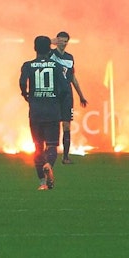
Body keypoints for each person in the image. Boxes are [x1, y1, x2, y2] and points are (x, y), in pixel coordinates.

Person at [19, 36, 63, 190]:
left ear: (35, 48)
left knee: (37, 146)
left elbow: (23, 82)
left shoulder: (27, 65)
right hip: (52, 111)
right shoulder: (57, 66)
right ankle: (48, 164)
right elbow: (64, 89)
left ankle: (42, 183)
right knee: (51, 146)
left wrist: (25, 94)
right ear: (49, 49)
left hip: (36, 112)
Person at [51, 31, 89, 164]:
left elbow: (73, 77)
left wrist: (81, 96)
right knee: (52, 125)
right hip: (53, 94)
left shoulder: (69, 57)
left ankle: (65, 157)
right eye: (61, 40)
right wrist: (51, 41)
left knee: (66, 125)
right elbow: (41, 47)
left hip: (67, 95)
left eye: (66, 41)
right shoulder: (50, 54)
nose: (64, 43)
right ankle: (49, 154)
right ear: (57, 40)